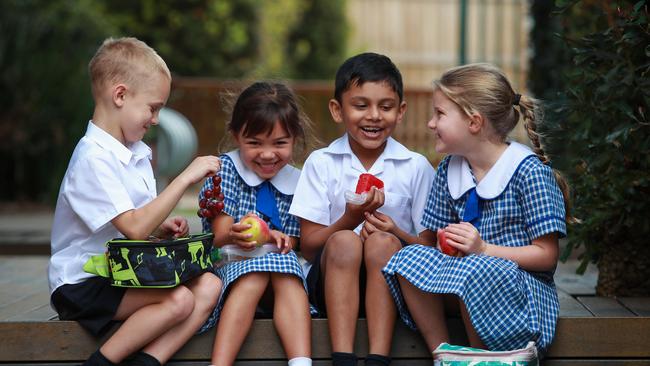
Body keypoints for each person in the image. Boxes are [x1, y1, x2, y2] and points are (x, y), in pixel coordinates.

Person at [47, 37, 223, 366]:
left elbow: (138, 224)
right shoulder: (93, 158)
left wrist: (161, 226)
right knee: (179, 300)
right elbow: (135, 228)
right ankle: (101, 362)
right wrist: (185, 177)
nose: (156, 119)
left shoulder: (134, 153)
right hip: (82, 283)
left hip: (124, 272)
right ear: (120, 95)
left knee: (211, 285)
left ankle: (147, 361)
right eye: (153, 107)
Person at [382, 63, 572, 355]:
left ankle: (482, 358)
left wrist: (483, 249)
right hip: (466, 277)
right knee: (408, 260)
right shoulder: (450, 169)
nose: (431, 123)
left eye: (440, 114)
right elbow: (432, 246)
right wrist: (395, 231)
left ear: (474, 122)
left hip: (522, 293)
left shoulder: (528, 172)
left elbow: (547, 256)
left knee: (478, 268)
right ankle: (445, 354)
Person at [289, 53, 436, 366]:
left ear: (400, 112)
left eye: (385, 106)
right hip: (330, 287)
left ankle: (378, 358)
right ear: (337, 110)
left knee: (383, 242)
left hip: (395, 291)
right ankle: (342, 357)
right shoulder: (322, 163)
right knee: (345, 240)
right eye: (360, 105)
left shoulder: (415, 167)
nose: (374, 116)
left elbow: (430, 248)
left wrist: (394, 231)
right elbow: (310, 247)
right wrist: (348, 220)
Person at [197, 81, 316, 366]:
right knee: (256, 273)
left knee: (286, 272)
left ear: (294, 138)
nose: (267, 154)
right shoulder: (225, 170)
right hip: (232, 263)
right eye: (254, 143)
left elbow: (297, 238)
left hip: (280, 272)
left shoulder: (298, 180)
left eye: (279, 143)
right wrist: (240, 233)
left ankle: (301, 361)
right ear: (236, 136)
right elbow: (221, 234)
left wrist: (286, 240)